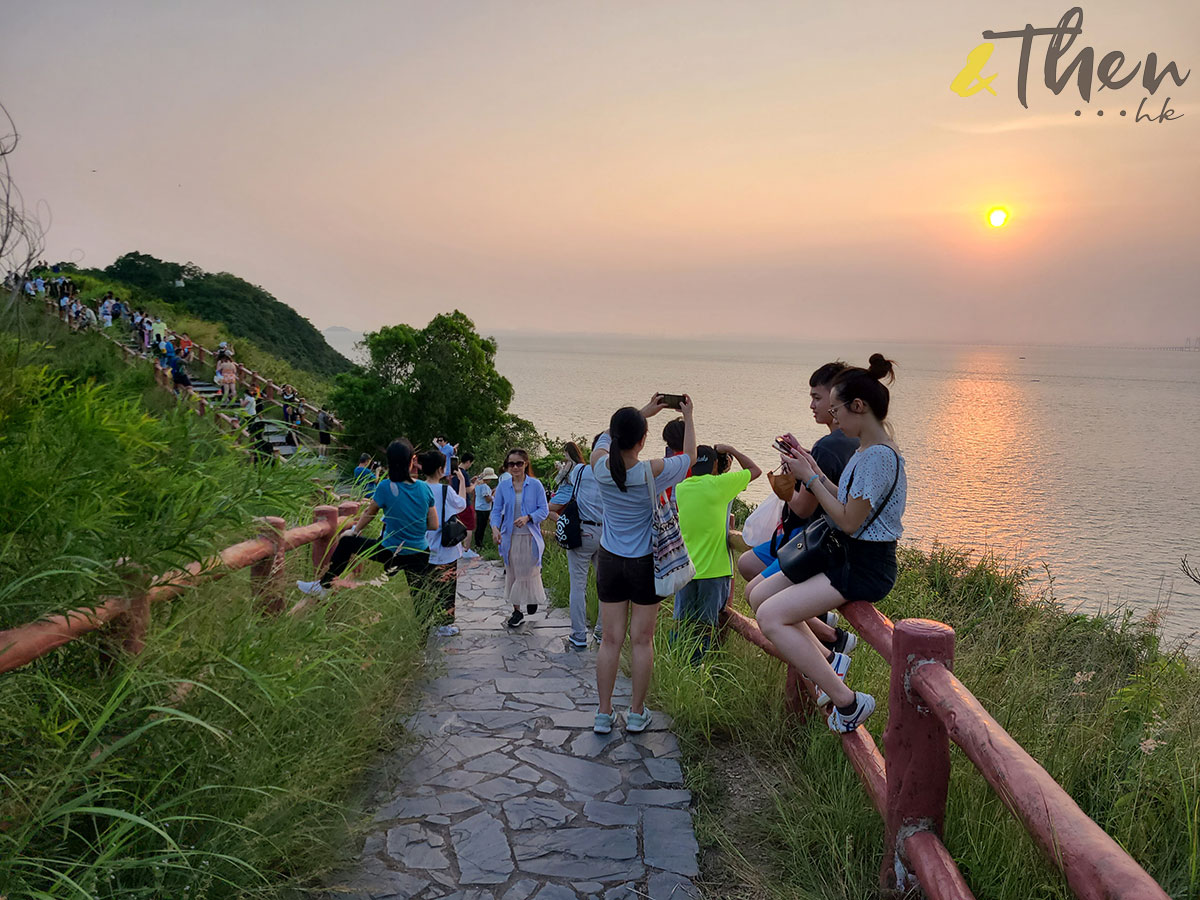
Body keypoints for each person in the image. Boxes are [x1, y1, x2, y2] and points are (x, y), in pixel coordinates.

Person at [747, 355, 907, 734]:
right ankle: (828, 661)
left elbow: (850, 521)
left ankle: (848, 703)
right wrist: (811, 468)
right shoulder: (867, 451)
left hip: (863, 565)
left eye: (836, 409)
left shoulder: (879, 457)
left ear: (859, 406)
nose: (834, 418)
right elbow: (846, 501)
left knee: (770, 617)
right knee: (759, 596)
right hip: (844, 555)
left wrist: (811, 480)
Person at [590, 394, 696, 734]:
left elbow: (605, 439)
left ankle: (603, 714)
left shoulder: (598, 466)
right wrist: (688, 416)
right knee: (641, 640)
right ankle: (636, 714)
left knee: (610, 640)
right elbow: (691, 456)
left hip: (609, 560)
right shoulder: (653, 472)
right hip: (644, 564)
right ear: (643, 440)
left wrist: (643, 411)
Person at [738, 361, 860, 653]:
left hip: (814, 540)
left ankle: (831, 647)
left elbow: (804, 508)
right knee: (748, 564)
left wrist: (784, 489)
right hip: (815, 538)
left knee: (760, 599)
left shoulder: (828, 446)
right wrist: (803, 457)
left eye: (817, 398)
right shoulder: (851, 442)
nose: (812, 405)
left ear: (836, 398)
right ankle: (822, 623)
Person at [298, 439, 437, 598]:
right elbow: (433, 525)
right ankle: (433, 623)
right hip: (419, 552)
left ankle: (324, 586)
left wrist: (354, 531)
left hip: (390, 552)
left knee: (347, 543)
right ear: (412, 460)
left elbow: (370, 513)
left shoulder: (385, 486)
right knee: (420, 597)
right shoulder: (425, 488)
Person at [674, 442, 761, 660]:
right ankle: (696, 668)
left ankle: (676, 663)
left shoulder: (681, 488)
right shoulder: (720, 486)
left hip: (685, 569)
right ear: (715, 465)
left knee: (682, 624)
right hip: (713, 571)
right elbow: (755, 471)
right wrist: (732, 450)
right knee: (705, 627)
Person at [549, 437, 606, 650]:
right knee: (605, 587)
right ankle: (601, 632)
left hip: (582, 532)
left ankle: (579, 635)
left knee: (578, 586)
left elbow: (560, 478)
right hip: (607, 534)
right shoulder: (616, 472)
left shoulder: (580, 471)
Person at [490, 448, 549, 628]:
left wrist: (528, 517)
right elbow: (496, 509)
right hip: (510, 537)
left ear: (525, 464)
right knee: (513, 573)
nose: (515, 467)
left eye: (519, 463)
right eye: (511, 464)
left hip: (530, 537)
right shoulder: (503, 486)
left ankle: (531, 598)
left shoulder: (536, 485)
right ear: (507, 466)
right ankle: (517, 611)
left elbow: (544, 510)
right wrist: (495, 528)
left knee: (530, 571)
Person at [420, 450, 467, 636]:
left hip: (422, 545)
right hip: (445, 546)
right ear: (441, 469)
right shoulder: (445, 490)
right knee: (447, 588)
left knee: (426, 587)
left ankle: (425, 620)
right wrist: (461, 481)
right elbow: (462, 504)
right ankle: (445, 624)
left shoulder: (418, 488)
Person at [455, 453, 480, 557]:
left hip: (456, 502)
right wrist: (476, 484)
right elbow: (468, 489)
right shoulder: (463, 473)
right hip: (465, 503)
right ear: (468, 462)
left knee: (459, 526)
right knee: (469, 526)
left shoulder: (455, 471)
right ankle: (466, 550)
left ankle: (460, 548)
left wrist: (470, 481)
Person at [472, 467, 498, 549]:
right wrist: (494, 496)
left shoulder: (478, 485)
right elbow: (487, 499)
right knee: (481, 527)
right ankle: (479, 544)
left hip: (479, 507)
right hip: (484, 509)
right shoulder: (484, 487)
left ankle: (478, 543)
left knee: (479, 526)